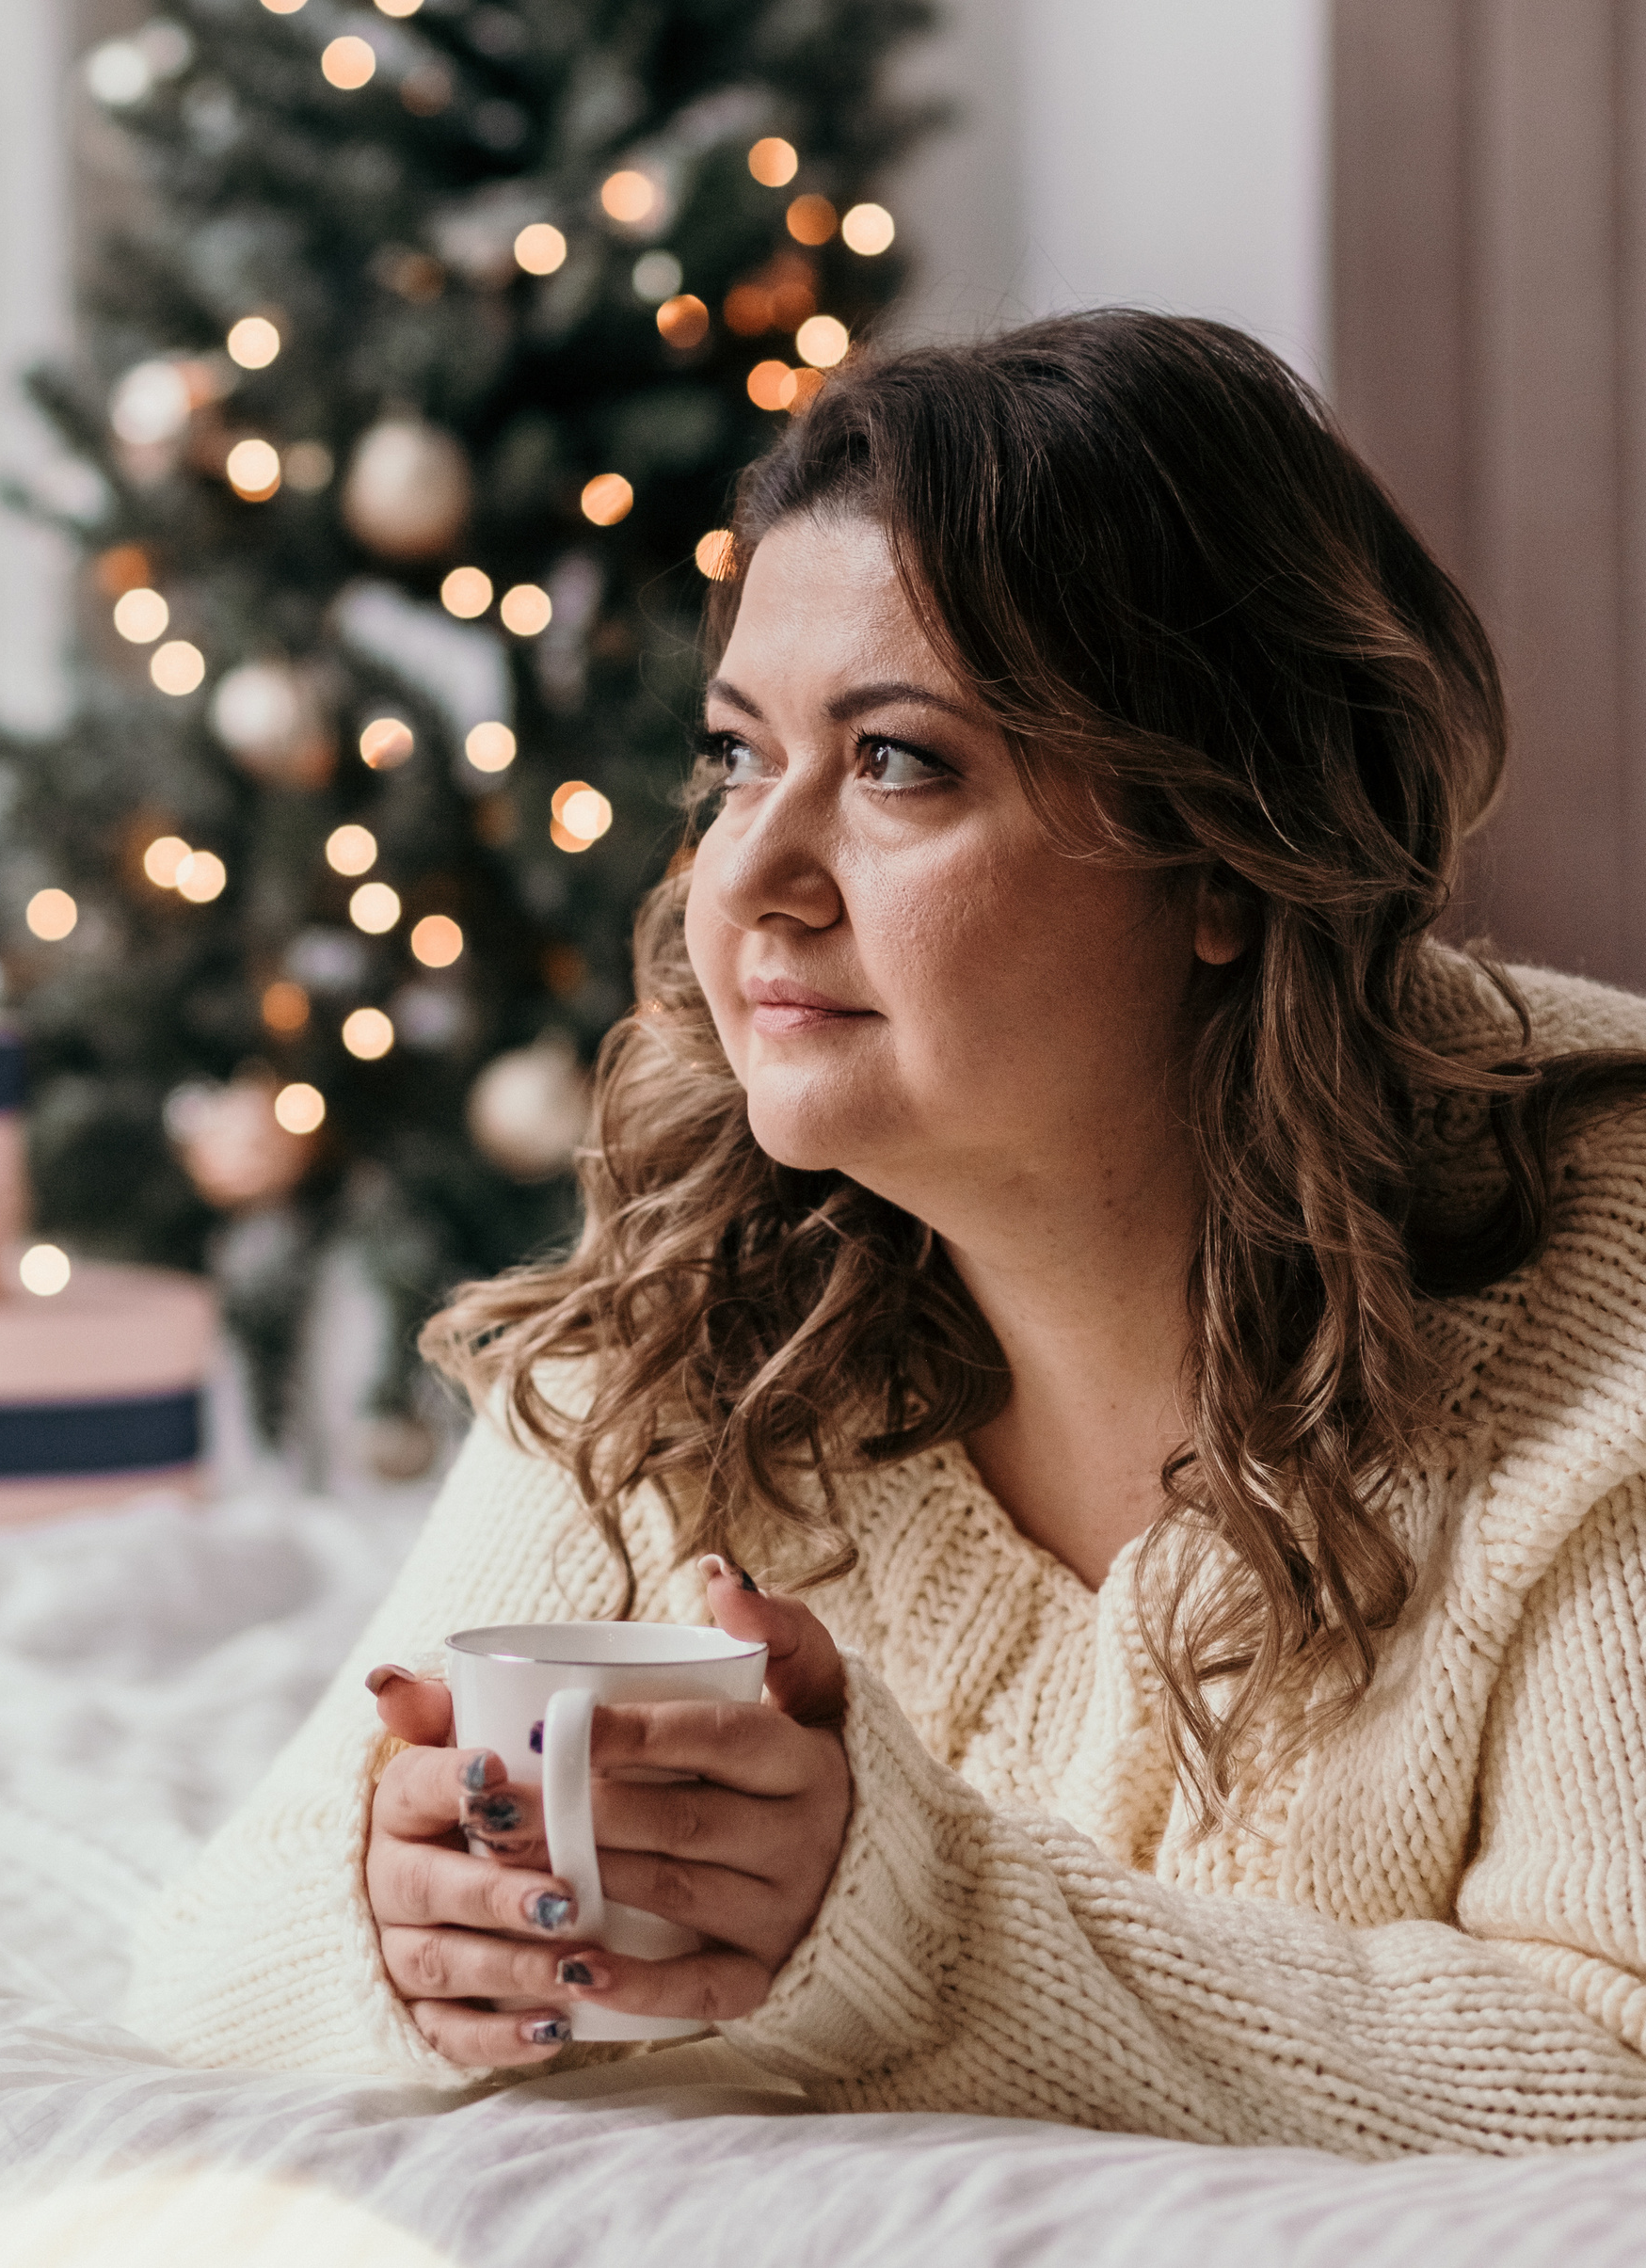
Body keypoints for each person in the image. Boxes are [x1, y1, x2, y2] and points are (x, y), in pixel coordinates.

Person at [125, 311, 1646, 2156]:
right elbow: (207, 1964)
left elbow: (1604, 2069)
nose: (745, 879)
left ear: (1226, 861)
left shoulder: (1598, 1282)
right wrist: (407, 1929)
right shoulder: (694, 1306)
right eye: (731, 754)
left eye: (896, 763)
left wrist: (904, 1915)